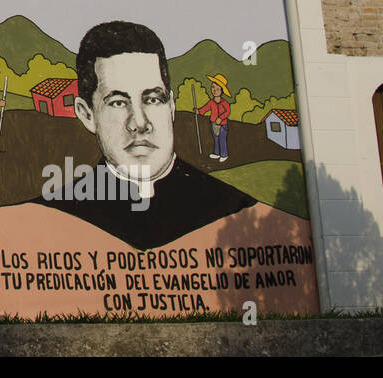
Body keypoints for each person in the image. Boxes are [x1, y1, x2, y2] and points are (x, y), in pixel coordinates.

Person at [27, 21, 254, 250]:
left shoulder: (238, 211)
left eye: (153, 99)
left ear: (171, 107)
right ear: (87, 115)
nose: (140, 123)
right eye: (118, 103)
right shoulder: (47, 217)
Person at [197, 74, 232, 163]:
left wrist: (221, 118)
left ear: (221, 91)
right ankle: (217, 153)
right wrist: (199, 111)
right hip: (213, 124)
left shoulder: (224, 103)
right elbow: (205, 108)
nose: (214, 90)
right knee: (215, 139)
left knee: (222, 139)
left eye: (217, 89)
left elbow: (227, 112)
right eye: (213, 87)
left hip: (222, 125)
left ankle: (224, 154)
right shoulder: (211, 102)